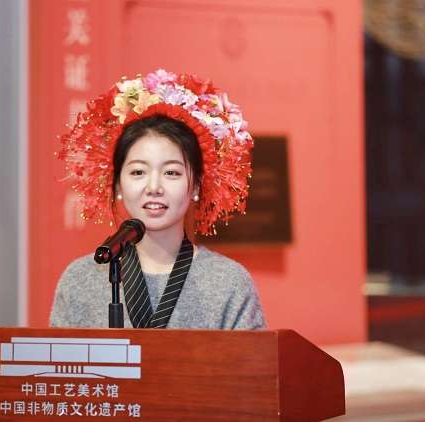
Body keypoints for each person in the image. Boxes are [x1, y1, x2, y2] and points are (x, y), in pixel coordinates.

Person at [51, 69, 265, 330]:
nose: (154, 187)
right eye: (138, 172)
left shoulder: (229, 284)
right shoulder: (79, 281)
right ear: (117, 184)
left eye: (171, 173)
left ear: (196, 186)